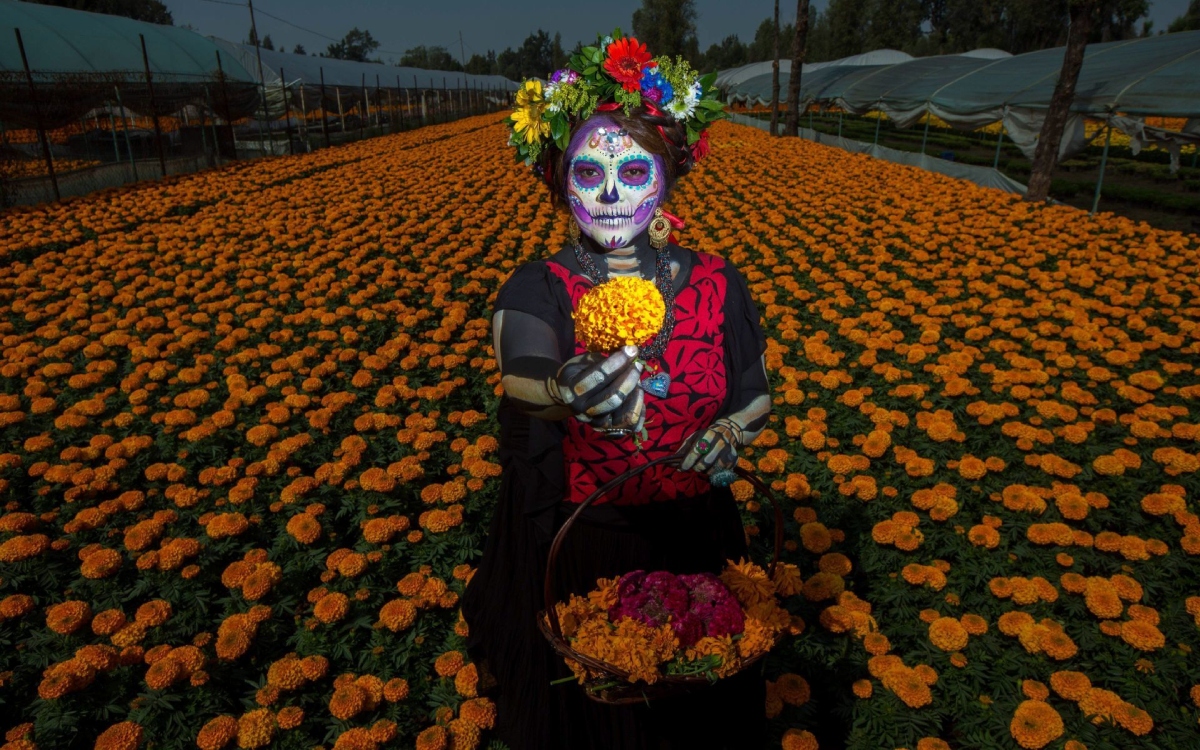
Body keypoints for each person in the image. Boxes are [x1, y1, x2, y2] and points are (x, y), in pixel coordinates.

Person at [461, 31, 772, 750]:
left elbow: (754, 390)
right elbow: (521, 372)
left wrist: (731, 432)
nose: (608, 194)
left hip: (696, 542)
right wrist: (566, 386)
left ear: (668, 177)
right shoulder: (539, 286)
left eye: (633, 172)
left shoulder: (718, 281)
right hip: (586, 549)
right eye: (587, 173)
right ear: (557, 179)